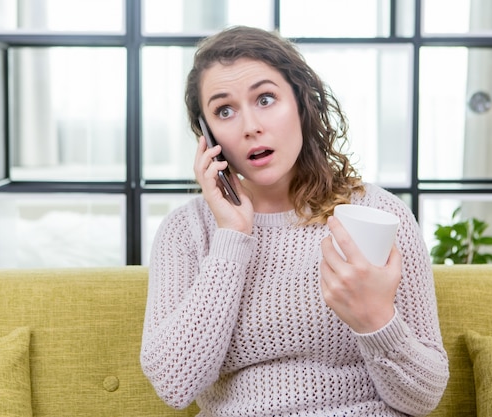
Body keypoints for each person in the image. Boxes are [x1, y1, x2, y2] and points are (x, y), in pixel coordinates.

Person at [140, 26, 449, 416]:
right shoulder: (187, 232)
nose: (250, 125)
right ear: (207, 135)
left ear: (302, 105)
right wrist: (232, 236)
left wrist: (375, 319)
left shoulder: (379, 214)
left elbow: (423, 399)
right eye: (224, 110)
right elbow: (174, 385)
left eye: (265, 99)